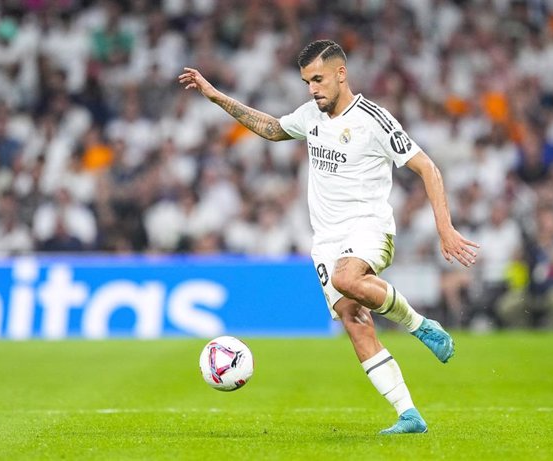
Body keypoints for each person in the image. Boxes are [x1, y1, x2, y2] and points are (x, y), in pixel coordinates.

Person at [179, 40, 479, 434]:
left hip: (368, 226)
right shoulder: (310, 116)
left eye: (318, 79)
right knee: (354, 321)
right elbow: (270, 128)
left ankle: (420, 325)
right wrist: (216, 96)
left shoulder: (375, 120)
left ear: (341, 74)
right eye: (306, 82)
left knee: (347, 279)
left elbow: (427, 168)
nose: (312, 89)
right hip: (326, 241)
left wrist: (445, 227)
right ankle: (409, 415)